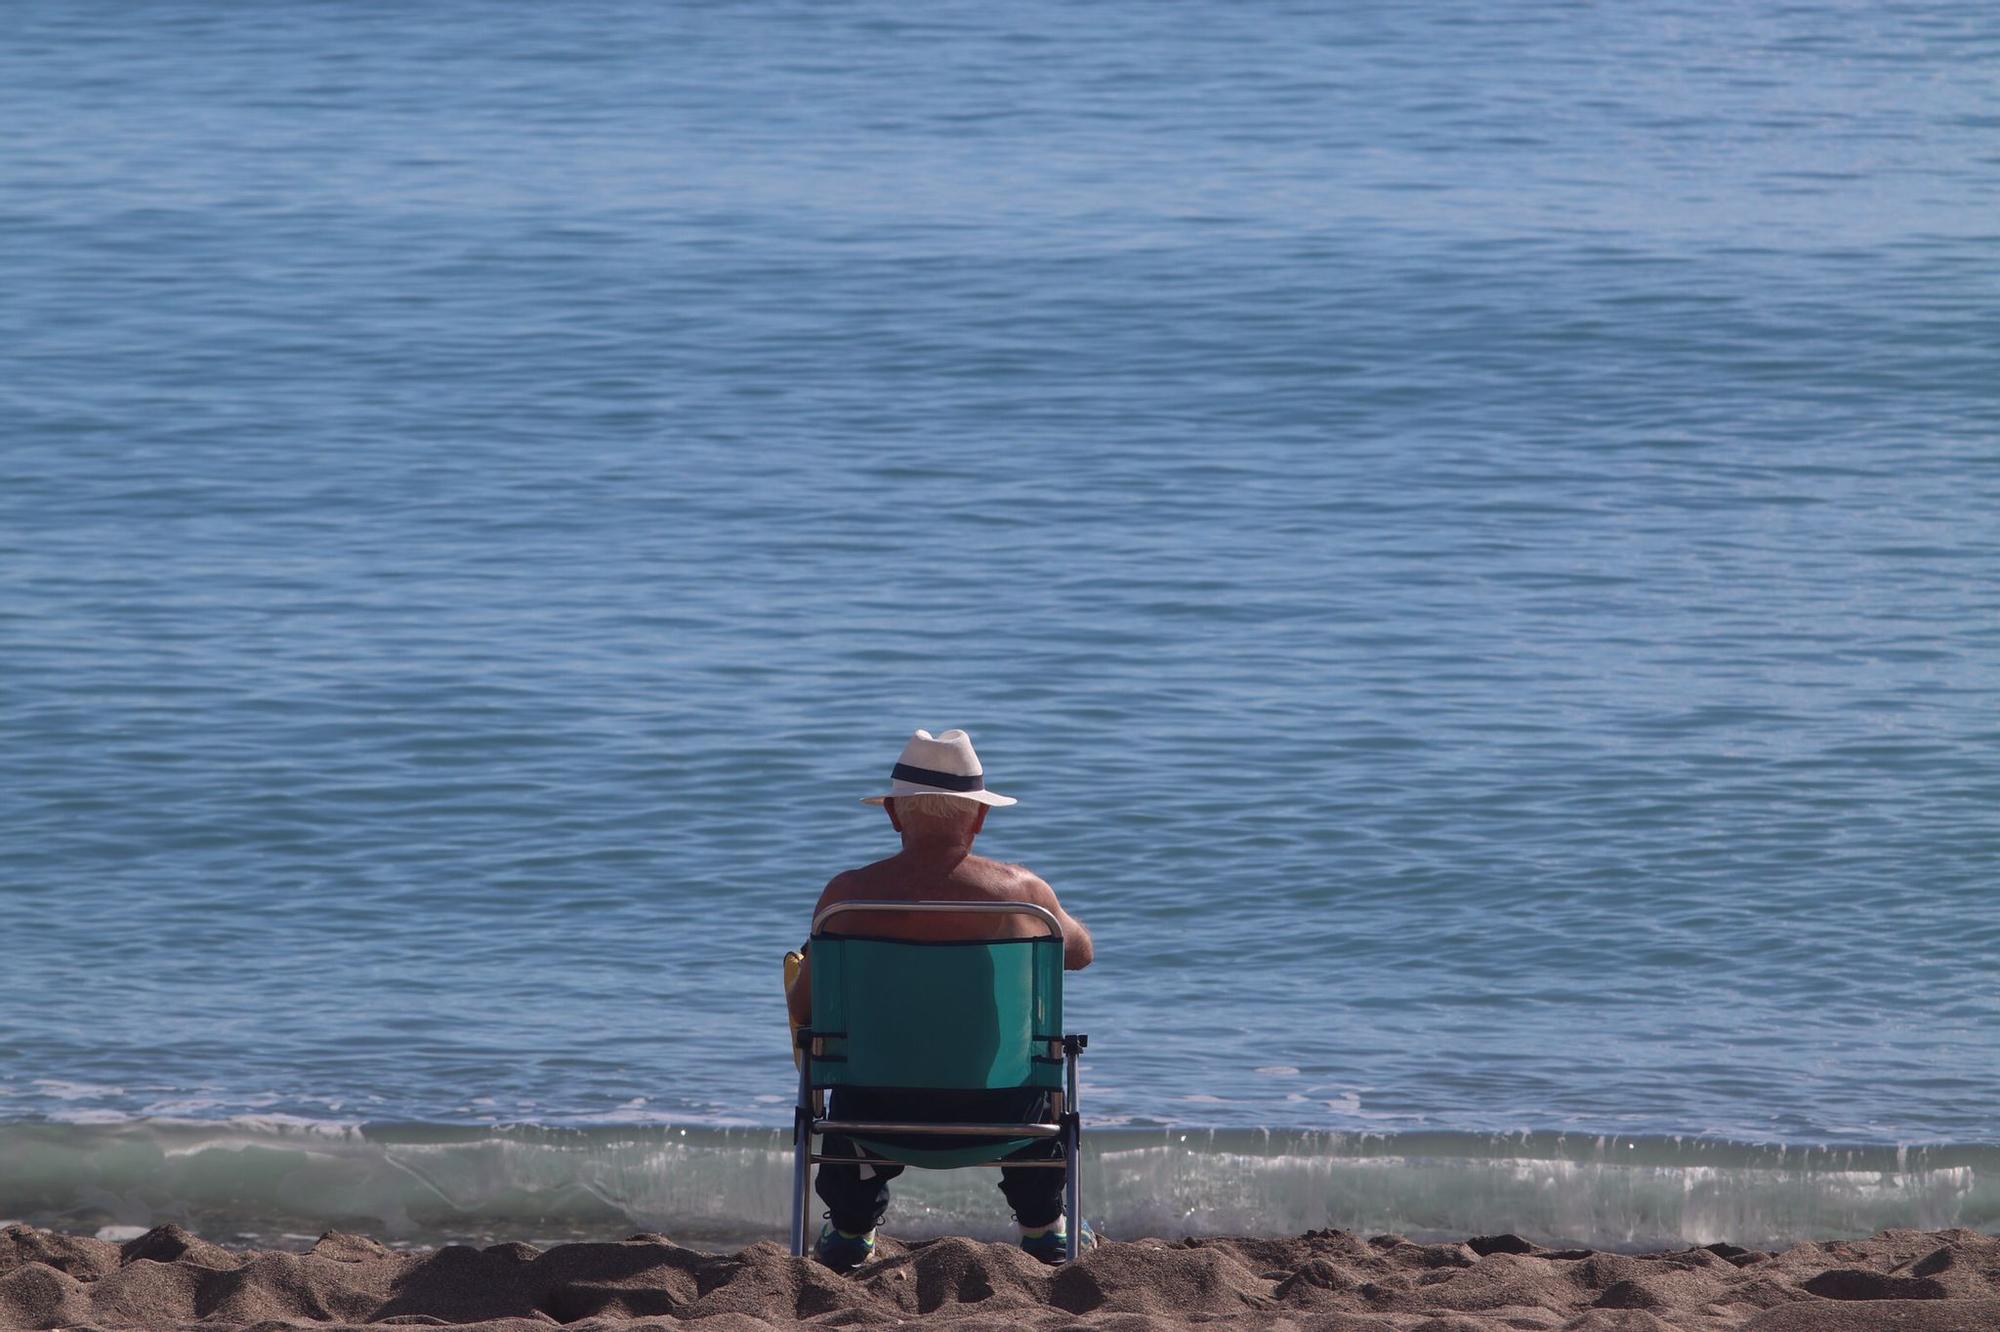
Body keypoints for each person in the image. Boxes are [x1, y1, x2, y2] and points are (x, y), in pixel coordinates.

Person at [787, 729, 1094, 1270]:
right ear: (978, 818)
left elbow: (810, 1005)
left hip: (874, 1112)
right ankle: (1044, 1226)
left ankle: (852, 1228)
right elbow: (1081, 953)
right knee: (1039, 1074)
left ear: (893, 815)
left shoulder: (846, 899)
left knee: (843, 1066)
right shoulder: (1024, 895)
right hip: (1003, 1111)